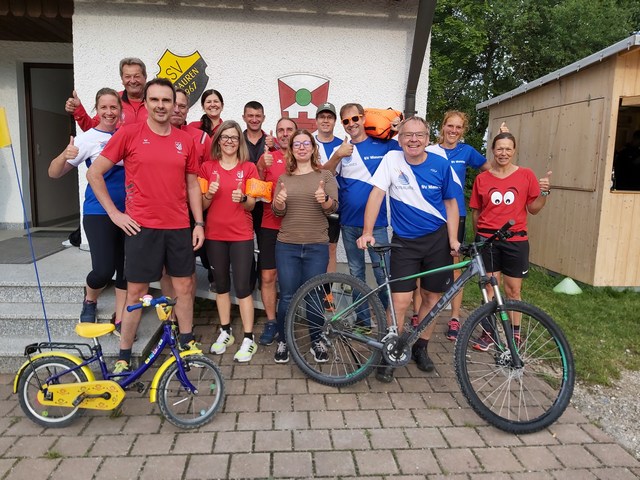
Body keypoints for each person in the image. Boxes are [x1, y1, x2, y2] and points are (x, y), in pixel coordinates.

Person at [87, 78, 205, 374]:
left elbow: (192, 184)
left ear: (175, 104)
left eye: (167, 100)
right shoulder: (129, 134)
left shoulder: (186, 140)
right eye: (155, 100)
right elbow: (94, 173)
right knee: (136, 292)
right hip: (142, 228)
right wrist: (115, 214)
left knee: (184, 287)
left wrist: (199, 223)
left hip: (178, 226)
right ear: (146, 103)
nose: (161, 106)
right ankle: (124, 356)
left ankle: (187, 342)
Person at [356, 116, 460, 382]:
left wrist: (453, 240)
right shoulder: (391, 160)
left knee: (431, 298)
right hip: (404, 242)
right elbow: (376, 195)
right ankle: (389, 352)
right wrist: (367, 231)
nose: (414, 140)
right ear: (400, 138)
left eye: (419, 135)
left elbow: (451, 204)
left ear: (427, 138)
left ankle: (420, 347)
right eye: (408, 135)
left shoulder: (440, 164)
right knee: (399, 302)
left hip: (437, 240)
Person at [49, 88, 126, 329]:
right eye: (104, 107)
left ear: (121, 110)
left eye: (113, 107)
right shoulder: (87, 138)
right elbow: (54, 173)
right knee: (103, 271)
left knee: (126, 271)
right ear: (96, 110)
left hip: (129, 214)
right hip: (98, 212)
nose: (109, 112)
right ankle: (90, 299)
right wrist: (64, 155)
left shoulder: (127, 135)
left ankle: (122, 318)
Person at [469, 131, 551, 350]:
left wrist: (544, 194)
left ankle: (514, 335)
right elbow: (476, 212)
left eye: (508, 149)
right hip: (488, 240)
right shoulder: (482, 179)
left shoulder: (526, 175)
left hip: (516, 240)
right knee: (489, 288)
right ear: (493, 150)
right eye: (499, 148)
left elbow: (534, 209)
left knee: (513, 290)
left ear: (514, 151)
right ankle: (488, 333)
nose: (503, 153)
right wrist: (479, 239)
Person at [323, 103, 401, 310]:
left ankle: (386, 316)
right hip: (349, 223)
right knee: (356, 274)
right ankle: (363, 320)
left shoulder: (384, 145)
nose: (351, 124)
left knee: (382, 274)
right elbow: (325, 175)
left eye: (355, 118)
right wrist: (338, 155)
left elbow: (410, 148)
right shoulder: (341, 149)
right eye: (346, 121)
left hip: (377, 224)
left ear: (363, 119)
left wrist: (399, 129)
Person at [271, 130, 339, 363]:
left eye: (306, 143)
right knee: (287, 296)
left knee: (314, 296)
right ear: (291, 149)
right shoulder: (284, 178)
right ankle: (283, 340)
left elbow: (333, 207)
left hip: (316, 246)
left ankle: (316, 341)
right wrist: (279, 203)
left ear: (312, 148)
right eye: (297, 144)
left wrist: (324, 200)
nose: (301, 147)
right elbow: (277, 211)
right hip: (287, 246)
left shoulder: (325, 176)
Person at [423, 111, 490, 341]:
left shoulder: (467, 151)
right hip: (432, 214)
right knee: (425, 263)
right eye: (450, 125)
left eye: (458, 127)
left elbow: (490, 171)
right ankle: (419, 314)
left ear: (463, 130)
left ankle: (454, 317)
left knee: (455, 266)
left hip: (457, 214)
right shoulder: (430, 150)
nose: (453, 130)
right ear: (442, 127)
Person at [202, 120, 260, 363]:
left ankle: (248, 337)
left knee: (243, 287)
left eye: (234, 137)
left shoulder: (249, 168)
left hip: (241, 235)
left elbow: (252, 205)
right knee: (221, 286)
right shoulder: (207, 168)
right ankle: (225, 331)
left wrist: (243, 198)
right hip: (215, 235)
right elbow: (201, 205)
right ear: (218, 141)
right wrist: (208, 194)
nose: (229, 141)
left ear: (239, 142)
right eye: (225, 137)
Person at [255, 118, 296, 346]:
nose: (284, 133)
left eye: (289, 129)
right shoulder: (267, 158)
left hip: (295, 227)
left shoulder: (303, 157)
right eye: (281, 130)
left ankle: (288, 321)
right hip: (270, 226)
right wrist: (262, 166)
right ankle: (271, 321)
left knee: (292, 278)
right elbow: (254, 189)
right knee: (268, 276)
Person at [65, 57, 148, 131]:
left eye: (137, 76)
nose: (132, 81)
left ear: (145, 77)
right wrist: (78, 110)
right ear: (122, 80)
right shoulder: (114, 100)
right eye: (127, 77)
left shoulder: (153, 100)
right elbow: (93, 129)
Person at [314, 102, 343, 278]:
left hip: (333, 203)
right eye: (322, 117)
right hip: (311, 203)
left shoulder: (342, 144)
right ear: (316, 120)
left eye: (329, 117)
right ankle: (309, 288)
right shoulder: (308, 141)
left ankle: (328, 290)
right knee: (311, 247)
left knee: (331, 248)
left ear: (335, 121)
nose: (325, 121)